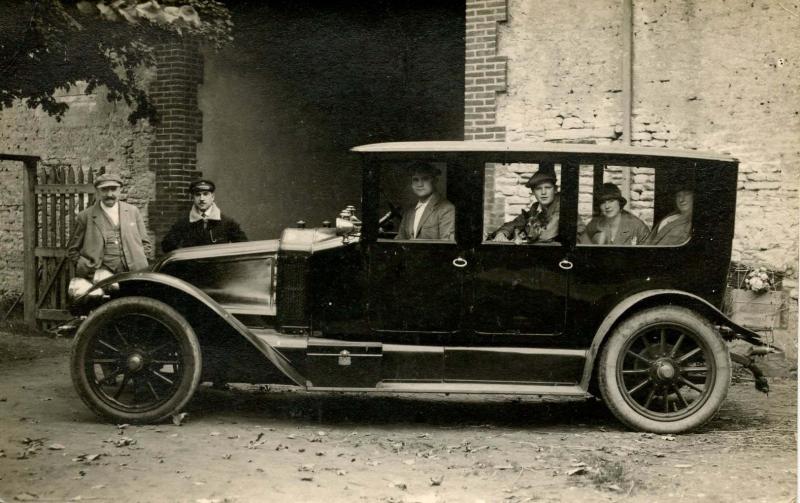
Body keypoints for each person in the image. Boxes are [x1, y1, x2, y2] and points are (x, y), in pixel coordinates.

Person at [66, 173, 152, 281]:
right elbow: (73, 250)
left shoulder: (132, 211)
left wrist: (139, 259)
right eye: (104, 190)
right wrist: (85, 265)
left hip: (133, 272)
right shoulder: (85, 216)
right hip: (99, 275)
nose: (109, 194)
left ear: (120, 190)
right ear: (97, 192)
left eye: (113, 189)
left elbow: (146, 243)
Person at [161, 179, 248, 253]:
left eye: (205, 194)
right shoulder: (183, 223)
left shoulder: (227, 222)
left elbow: (243, 247)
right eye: (198, 195)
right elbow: (166, 246)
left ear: (212, 197)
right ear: (193, 198)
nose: (202, 198)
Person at [490, 164, 560, 243]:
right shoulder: (535, 208)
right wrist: (502, 233)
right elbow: (516, 223)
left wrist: (520, 235)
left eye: (548, 188)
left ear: (555, 190)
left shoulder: (561, 206)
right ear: (533, 192)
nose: (543, 192)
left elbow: (545, 236)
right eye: (538, 189)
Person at [395, 162, 455, 240]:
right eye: (415, 180)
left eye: (425, 179)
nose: (420, 184)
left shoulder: (447, 209)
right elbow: (399, 240)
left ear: (435, 181)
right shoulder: (409, 212)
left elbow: (448, 246)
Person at [583, 183, 650, 245]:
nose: (607, 206)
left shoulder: (637, 226)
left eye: (611, 201)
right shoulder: (593, 225)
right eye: (603, 202)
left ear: (619, 202)